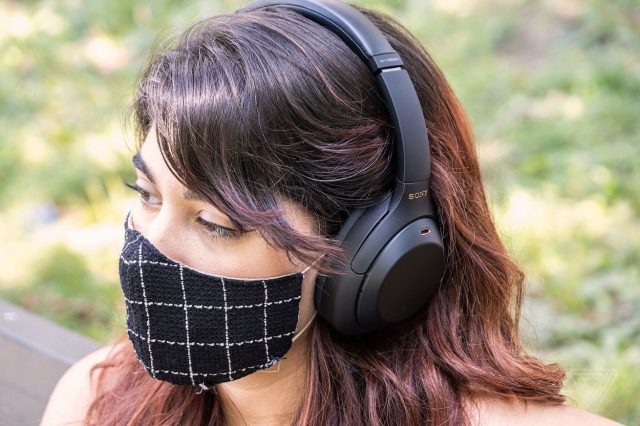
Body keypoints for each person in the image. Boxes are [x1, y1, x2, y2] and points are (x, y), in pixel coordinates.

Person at [40, 2, 623, 425]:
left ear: (375, 256)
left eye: (217, 223)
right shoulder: (98, 403)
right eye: (147, 195)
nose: (151, 249)